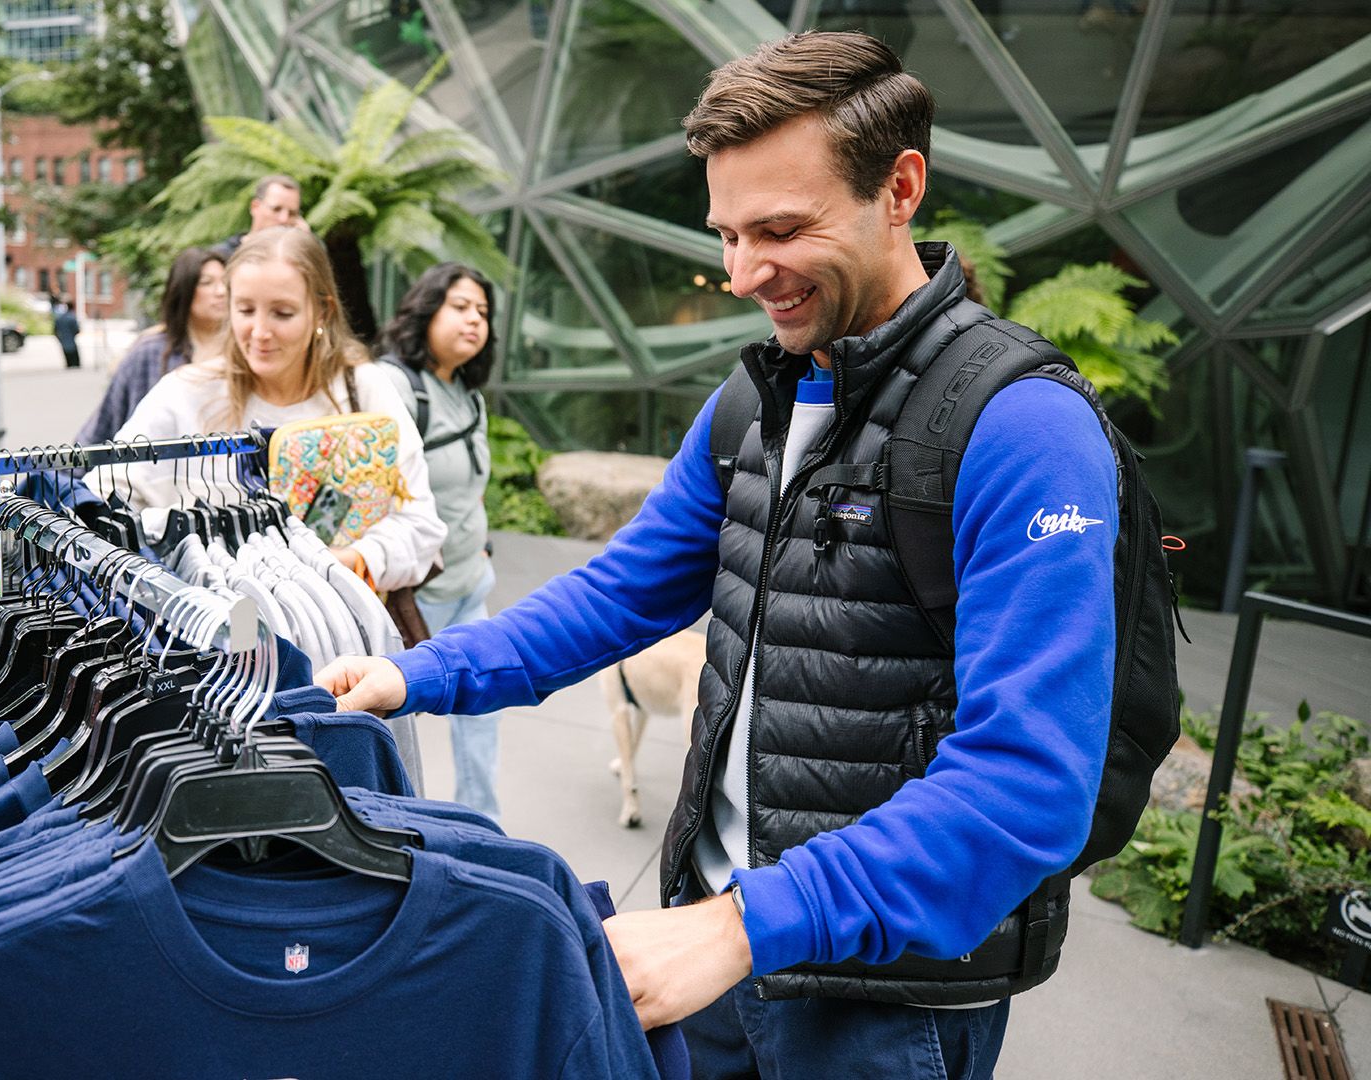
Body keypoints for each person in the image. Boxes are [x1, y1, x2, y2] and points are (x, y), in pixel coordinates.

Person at [319, 31, 1121, 1079]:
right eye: (728, 235)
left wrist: (745, 926)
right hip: (711, 949)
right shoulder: (756, 399)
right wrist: (415, 674)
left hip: (878, 1006)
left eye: (781, 230)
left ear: (900, 189)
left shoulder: (1024, 428)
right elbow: (621, 592)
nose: (743, 273)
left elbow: (1028, 782)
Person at [112, 227, 444, 594]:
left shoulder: (363, 388)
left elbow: (420, 526)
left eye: (282, 313)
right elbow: (106, 500)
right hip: (212, 624)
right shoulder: (185, 393)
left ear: (322, 311)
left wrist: (340, 563)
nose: (259, 332)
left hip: (338, 621)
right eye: (245, 310)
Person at [374, 263, 501, 818]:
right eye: (460, 307)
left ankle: (484, 824)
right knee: (396, 720)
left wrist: (483, 544)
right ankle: (399, 827)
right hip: (418, 596)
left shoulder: (468, 394)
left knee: (482, 711)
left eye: (483, 312)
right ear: (426, 311)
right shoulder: (392, 385)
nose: (474, 320)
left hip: (472, 582)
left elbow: (471, 485)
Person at [75, 246, 227, 445]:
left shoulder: (244, 352)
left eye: (226, 282)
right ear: (184, 289)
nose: (221, 291)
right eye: (206, 283)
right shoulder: (151, 352)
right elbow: (103, 426)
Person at [211, 174, 304, 261]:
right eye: (276, 209)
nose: (284, 219)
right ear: (255, 207)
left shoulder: (296, 258)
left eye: (292, 213)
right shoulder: (220, 257)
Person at [52, 297, 82, 370]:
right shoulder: (72, 317)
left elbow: (55, 330)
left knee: (68, 361)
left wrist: (59, 338)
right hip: (71, 341)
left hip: (63, 341)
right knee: (75, 362)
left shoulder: (59, 318)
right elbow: (77, 330)